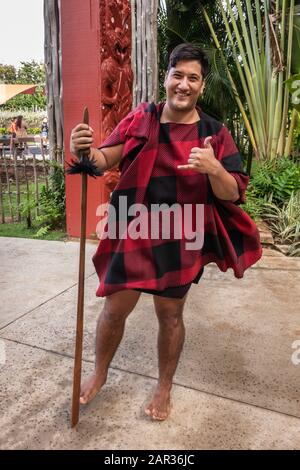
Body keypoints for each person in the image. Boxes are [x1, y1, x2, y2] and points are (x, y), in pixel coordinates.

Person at [70, 43, 262, 421]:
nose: (184, 84)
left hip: (181, 233)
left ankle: (164, 387)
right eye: (178, 75)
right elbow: (106, 157)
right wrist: (86, 152)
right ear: (166, 77)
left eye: (193, 78)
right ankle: (100, 371)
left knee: (170, 316)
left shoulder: (214, 133)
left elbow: (233, 193)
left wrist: (213, 168)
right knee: (113, 309)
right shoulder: (144, 117)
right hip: (134, 225)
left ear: (201, 86)